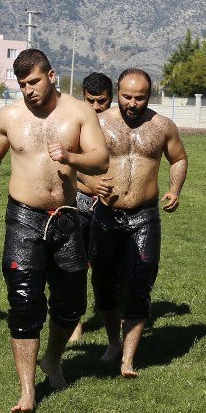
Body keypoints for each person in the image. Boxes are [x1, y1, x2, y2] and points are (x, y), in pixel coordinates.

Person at [0, 49, 109, 413]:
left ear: (51, 75)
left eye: (33, 81)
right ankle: (28, 390)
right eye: (21, 84)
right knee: (23, 300)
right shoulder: (9, 117)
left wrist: (70, 157)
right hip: (24, 217)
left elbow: (101, 158)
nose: (28, 90)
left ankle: (52, 358)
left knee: (71, 303)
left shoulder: (79, 113)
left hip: (66, 218)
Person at [88, 68, 188, 377]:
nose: (133, 103)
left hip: (144, 216)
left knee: (140, 283)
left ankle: (128, 360)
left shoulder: (162, 126)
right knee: (103, 283)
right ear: (117, 93)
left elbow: (179, 159)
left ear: (150, 95)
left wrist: (174, 188)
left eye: (140, 98)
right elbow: (70, 160)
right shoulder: (98, 124)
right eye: (127, 97)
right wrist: (91, 183)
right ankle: (113, 342)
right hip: (105, 215)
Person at [68, 71, 114, 342]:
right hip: (81, 202)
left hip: (112, 205)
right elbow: (68, 161)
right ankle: (75, 322)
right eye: (91, 101)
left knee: (108, 266)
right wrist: (91, 182)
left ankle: (114, 317)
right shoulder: (76, 123)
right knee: (75, 266)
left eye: (102, 101)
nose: (97, 107)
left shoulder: (118, 125)